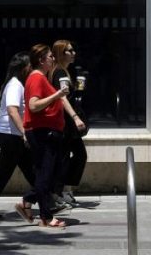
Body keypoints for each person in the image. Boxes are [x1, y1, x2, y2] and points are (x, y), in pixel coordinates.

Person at [14, 43, 70, 228]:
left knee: (50, 173)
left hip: (46, 132)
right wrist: (57, 95)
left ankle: (27, 201)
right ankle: (46, 217)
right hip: (43, 133)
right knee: (46, 174)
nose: (53, 59)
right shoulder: (37, 78)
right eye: (50, 56)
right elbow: (33, 105)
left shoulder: (40, 78)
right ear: (41, 60)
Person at [0, 52, 36, 219]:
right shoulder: (15, 85)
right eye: (30, 66)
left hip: (11, 135)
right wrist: (24, 132)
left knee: (32, 171)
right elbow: (12, 110)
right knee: (5, 173)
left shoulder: (13, 83)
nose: (32, 69)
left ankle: (49, 203)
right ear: (24, 68)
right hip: (11, 136)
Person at [49, 39, 87, 208]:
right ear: (60, 53)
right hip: (65, 122)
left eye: (73, 50)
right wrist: (75, 117)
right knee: (67, 157)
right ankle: (58, 193)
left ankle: (64, 190)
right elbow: (62, 98)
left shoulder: (65, 71)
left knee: (74, 155)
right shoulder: (59, 72)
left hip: (66, 122)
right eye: (69, 51)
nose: (73, 53)